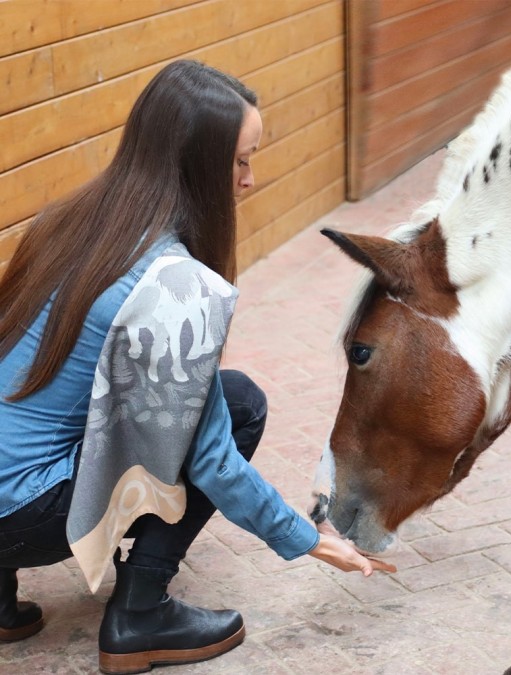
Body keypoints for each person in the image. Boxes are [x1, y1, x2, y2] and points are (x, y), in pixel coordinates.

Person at [0, 60, 395, 674]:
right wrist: (306, 537)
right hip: (20, 514)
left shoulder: (69, 221)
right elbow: (209, 457)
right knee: (238, 405)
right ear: (195, 165)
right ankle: (140, 614)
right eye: (239, 161)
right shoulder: (172, 282)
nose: (249, 179)